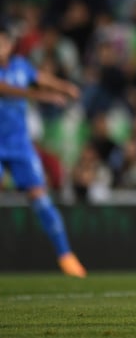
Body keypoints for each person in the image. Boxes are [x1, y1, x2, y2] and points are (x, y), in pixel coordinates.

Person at [0, 21, 87, 277]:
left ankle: (66, 256)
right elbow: (4, 90)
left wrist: (65, 87)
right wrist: (42, 96)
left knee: (40, 198)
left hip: (19, 145)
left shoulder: (20, 66)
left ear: (10, 44)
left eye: (2, 42)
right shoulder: (13, 80)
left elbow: (41, 78)